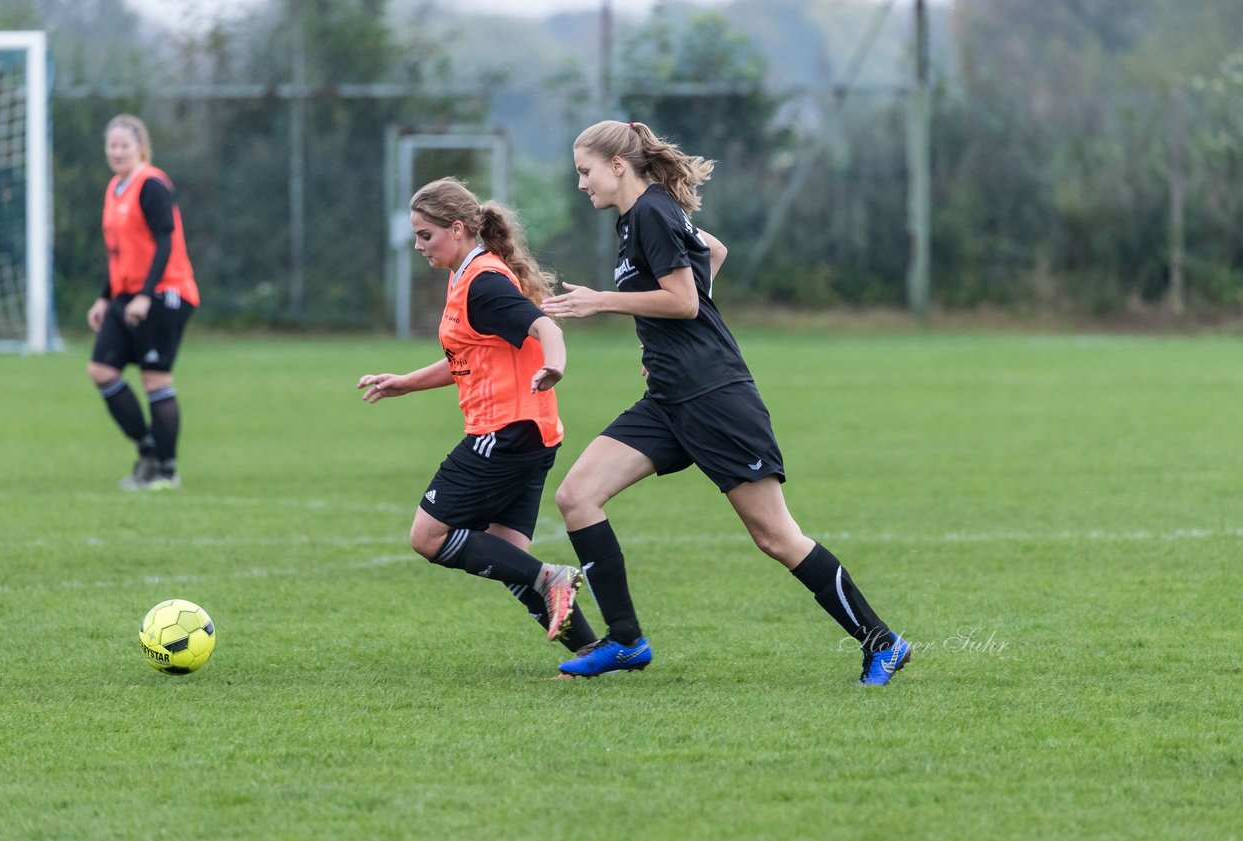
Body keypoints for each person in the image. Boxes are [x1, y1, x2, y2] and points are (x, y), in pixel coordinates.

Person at [541, 120, 911, 685]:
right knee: (577, 496)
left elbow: (684, 300)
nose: (581, 184)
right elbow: (713, 250)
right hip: (668, 397)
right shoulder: (641, 216)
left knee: (776, 537)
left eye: (584, 172)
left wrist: (602, 302)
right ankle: (625, 641)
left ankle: (881, 642)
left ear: (618, 165)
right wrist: (664, 344)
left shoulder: (652, 213)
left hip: (715, 397)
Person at [357, 177, 595, 652]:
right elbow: (470, 358)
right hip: (532, 433)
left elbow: (546, 327)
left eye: (426, 234)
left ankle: (553, 576)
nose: (419, 245)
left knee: (428, 536)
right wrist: (407, 381)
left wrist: (556, 365)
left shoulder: (483, 283)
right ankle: (594, 650)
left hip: (504, 432)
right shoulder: (468, 276)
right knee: (508, 556)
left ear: (460, 228)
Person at [87, 114, 199, 491]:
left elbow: (165, 242)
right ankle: (148, 450)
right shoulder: (114, 188)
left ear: (140, 147)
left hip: (164, 294)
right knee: (101, 370)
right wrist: (105, 298)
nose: (117, 152)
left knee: (155, 379)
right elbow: (120, 252)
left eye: (124, 145)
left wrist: (145, 296)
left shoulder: (151, 185)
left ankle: (167, 471)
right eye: (112, 145)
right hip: (126, 295)